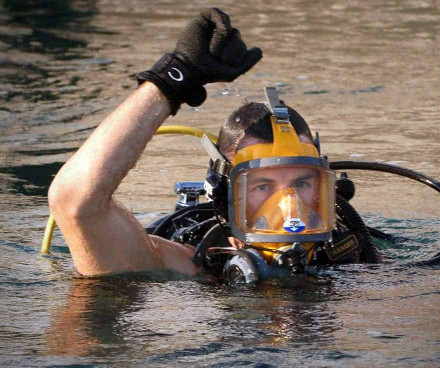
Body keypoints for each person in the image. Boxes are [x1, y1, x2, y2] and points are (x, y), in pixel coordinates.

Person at [49, 8, 380, 279]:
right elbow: (74, 202)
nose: (289, 208)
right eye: (263, 186)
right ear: (225, 199)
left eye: (303, 182)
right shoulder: (192, 264)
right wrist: (170, 81)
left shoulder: (352, 252)